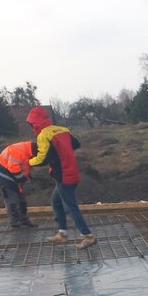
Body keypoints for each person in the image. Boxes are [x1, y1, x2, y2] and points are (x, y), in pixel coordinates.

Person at [26, 106, 96, 249]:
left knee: (70, 207)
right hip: (71, 172)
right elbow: (76, 144)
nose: (32, 128)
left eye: (31, 125)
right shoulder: (62, 129)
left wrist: (28, 162)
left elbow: (42, 158)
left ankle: (88, 236)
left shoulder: (43, 136)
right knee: (56, 201)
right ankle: (62, 233)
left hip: (63, 175)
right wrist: (62, 151)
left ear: (35, 123)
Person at [0, 141, 37, 228]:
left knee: (21, 200)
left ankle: (24, 220)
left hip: (12, 177)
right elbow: (13, 168)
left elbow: (24, 167)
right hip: (3, 176)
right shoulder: (18, 151)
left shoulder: (27, 153)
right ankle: (15, 222)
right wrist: (22, 178)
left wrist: (26, 176)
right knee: (12, 200)